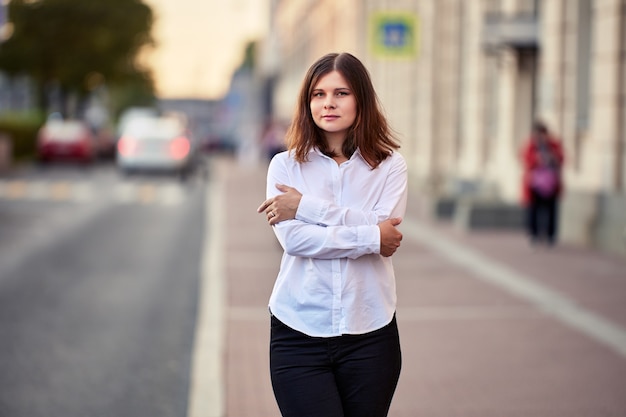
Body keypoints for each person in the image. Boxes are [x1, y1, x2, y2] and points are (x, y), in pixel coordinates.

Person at [256, 52, 407, 417]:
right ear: (307, 102)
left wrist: (305, 207)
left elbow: (387, 226)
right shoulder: (285, 165)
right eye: (318, 94)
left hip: (370, 332)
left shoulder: (390, 166)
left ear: (361, 99)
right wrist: (370, 237)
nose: (328, 103)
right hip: (298, 331)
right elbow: (295, 241)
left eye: (341, 93)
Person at [520, 120, 565, 246]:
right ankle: (534, 235)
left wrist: (552, 157)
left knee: (551, 210)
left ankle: (550, 236)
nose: (540, 137)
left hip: (551, 184)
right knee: (533, 210)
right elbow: (525, 159)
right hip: (534, 184)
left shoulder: (553, 145)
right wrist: (537, 159)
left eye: (542, 133)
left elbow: (561, 159)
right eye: (537, 134)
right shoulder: (531, 145)